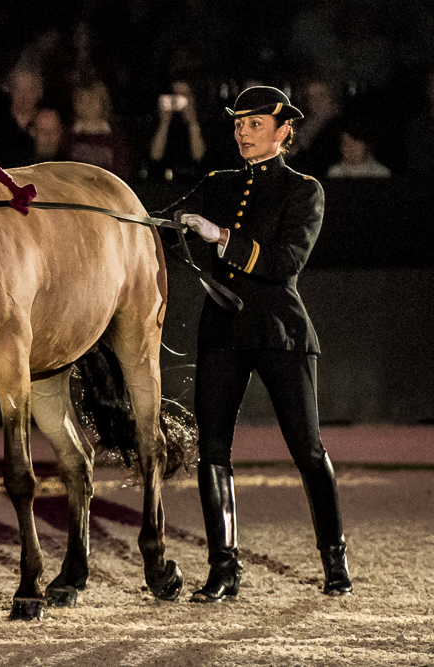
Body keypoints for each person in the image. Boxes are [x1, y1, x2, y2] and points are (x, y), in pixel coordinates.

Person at [157, 86, 353, 602]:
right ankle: (224, 570)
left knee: (307, 449)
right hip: (222, 331)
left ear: (284, 131)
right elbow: (160, 225)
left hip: (279, 330)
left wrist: (221, 237)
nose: (242, 132)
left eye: (254, 124)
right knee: (212, 450)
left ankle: (335, 559)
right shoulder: (217, 183)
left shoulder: (303, 190)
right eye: (238, 124)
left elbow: (285, 262)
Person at [60, 78, 132, 180]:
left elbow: (121, 173)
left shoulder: (116, 137)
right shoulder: (67, 136)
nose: (89, 104)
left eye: (93, 98)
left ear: (103, 102)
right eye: (83, 99)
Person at [147, 79, 208, 182]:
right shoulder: (157, 122)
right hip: (162, 183)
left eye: (184, 96)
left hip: (193, 182)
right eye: (174, 95)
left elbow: (199, 157)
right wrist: (164, 123)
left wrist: (192, 122)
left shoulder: (202, 123)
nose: (178, 100)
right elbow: (154, 157)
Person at [326, 121, 391, 178]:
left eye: (355, 142)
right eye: (345, 143)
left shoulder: (382, 174)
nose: (350, 147)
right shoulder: (333, 174)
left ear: (366, 144)